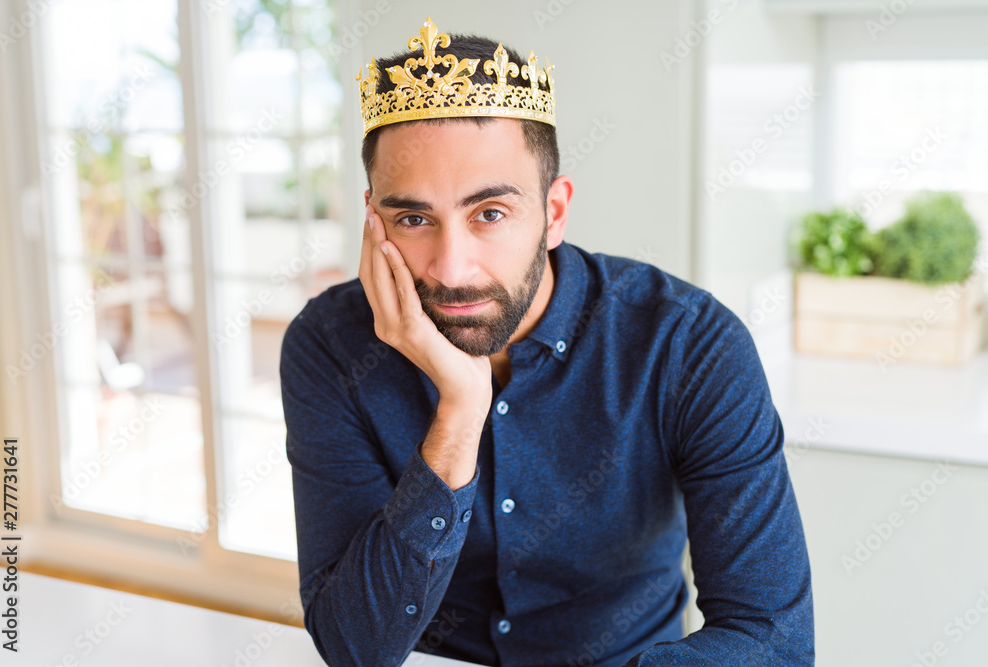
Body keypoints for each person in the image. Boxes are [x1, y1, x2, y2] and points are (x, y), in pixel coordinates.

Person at [280, 16, 814, 667]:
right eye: (414, 218)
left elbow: (774, 641)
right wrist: (458, 414)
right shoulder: (330, 345)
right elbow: (353, 645)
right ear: (374, 221)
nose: (451, 268)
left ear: (554, 211)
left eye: (491, 214)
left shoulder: (689, 345)